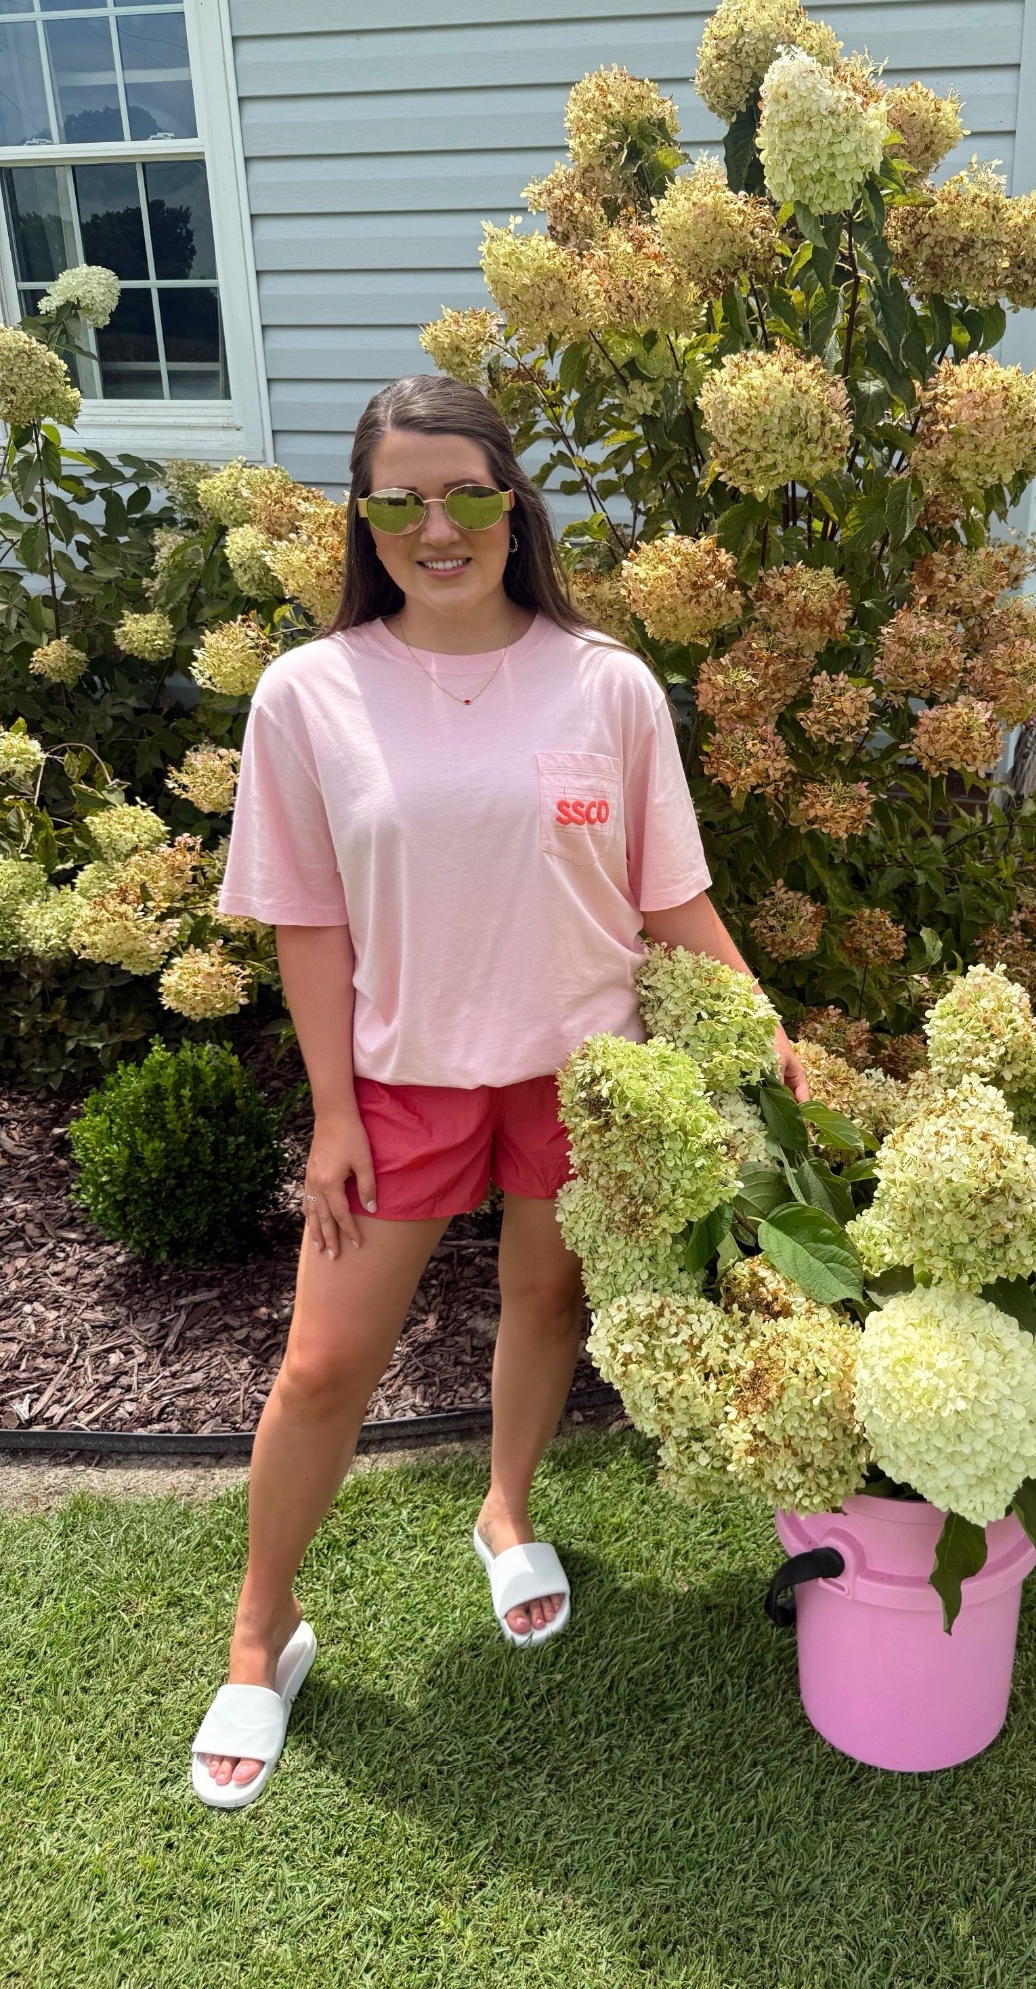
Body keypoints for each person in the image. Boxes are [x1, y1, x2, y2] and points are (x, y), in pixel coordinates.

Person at [190, 374, 807, 1809]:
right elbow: (307, 920)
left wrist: (762, 1019)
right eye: (400, 501)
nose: (438, 527)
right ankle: (260, 1632)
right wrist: (331, 1113)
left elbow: (668, 894)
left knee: (545, 1302)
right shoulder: (309, 693)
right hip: (400, 1081)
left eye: (466, 492)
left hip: (585, 1076)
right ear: (364, 522)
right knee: (323, 1366)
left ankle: (507, 1508)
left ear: (514, 505)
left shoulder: (606, 684)